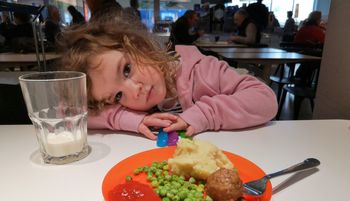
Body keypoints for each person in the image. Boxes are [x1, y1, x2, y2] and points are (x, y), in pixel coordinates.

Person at [58, 14, 277, 140]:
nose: (135, 90)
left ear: (138, 45)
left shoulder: (202, 71)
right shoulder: (134, 106)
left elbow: (265, 100)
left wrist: (205, 114)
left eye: (126, 70)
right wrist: (130, 119)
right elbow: (66, 113)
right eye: (117, 96)